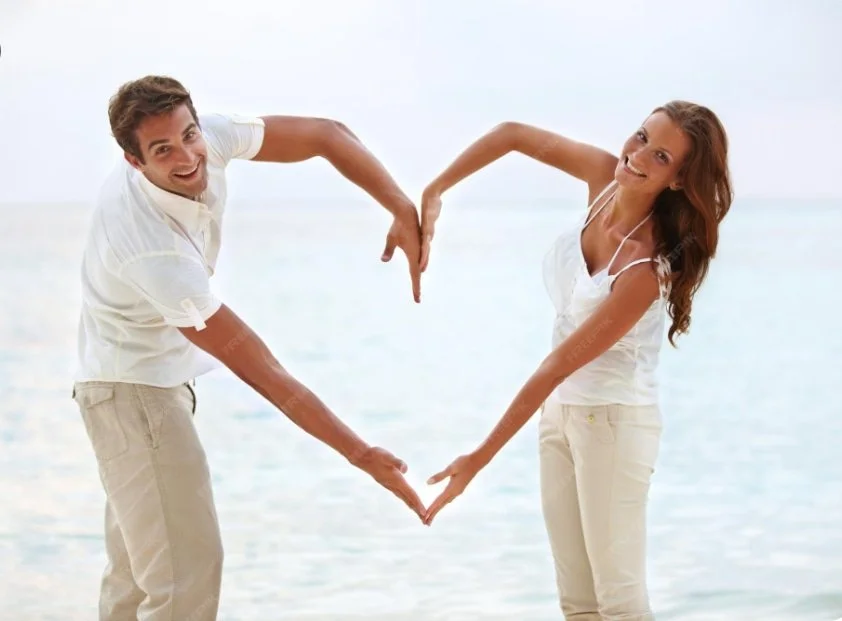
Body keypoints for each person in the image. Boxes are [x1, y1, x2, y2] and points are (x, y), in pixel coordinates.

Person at [71, 74, 427, 621]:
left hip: (133, 386)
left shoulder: (205, 138)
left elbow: (327, 135)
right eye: (163, 150)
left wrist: (400, 206)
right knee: (183, 581)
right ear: (134, 161)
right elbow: (264, 371)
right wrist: (361, 455)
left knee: (139, 581)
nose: (189, 156)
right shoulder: (154, 253)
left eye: (189, 135)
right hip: (133, 397)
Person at [418, 101, 733, 620]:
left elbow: (556, 364)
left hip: (613, 423)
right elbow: (512, 134)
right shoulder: (601, 181)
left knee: (620, 600)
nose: (635, 157)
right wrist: (435, 190)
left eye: (659, 157)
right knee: (578, 603)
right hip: (559, 419)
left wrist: (477, 460)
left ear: (678, 180)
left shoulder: (645, 270)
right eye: (640, 137)